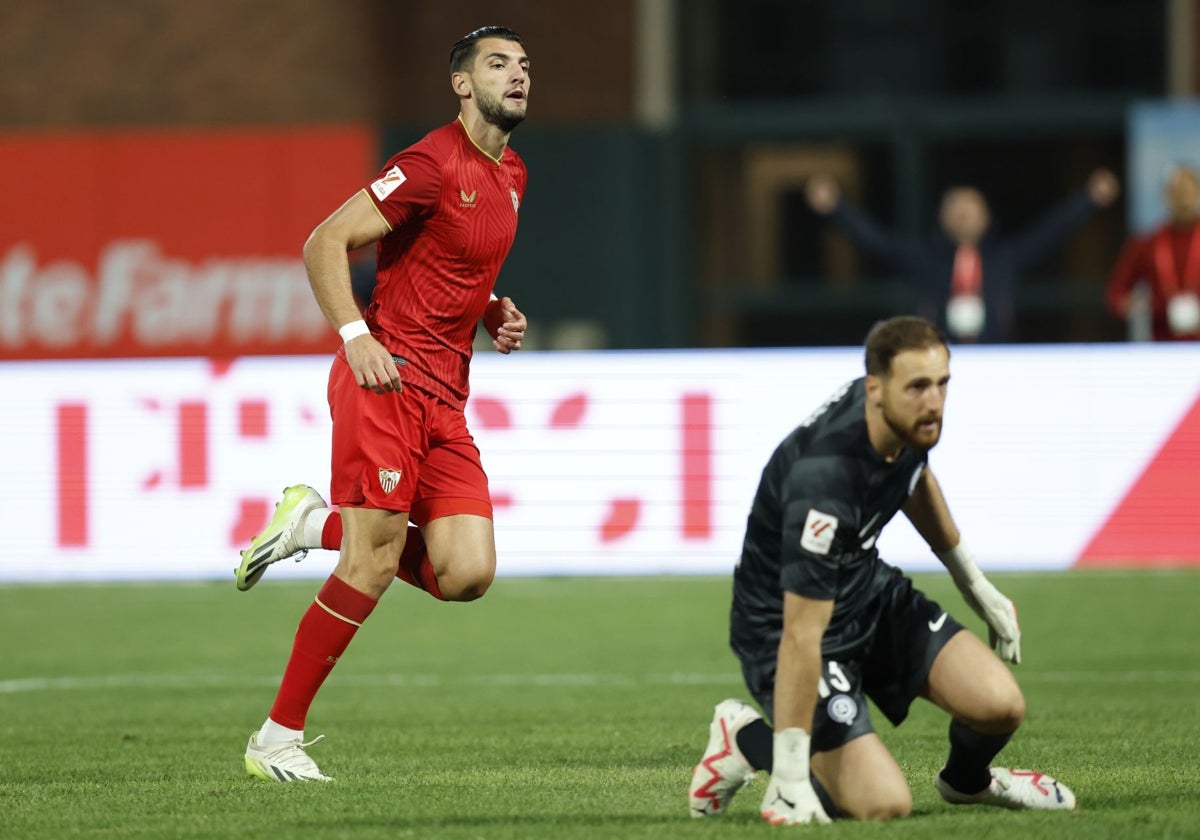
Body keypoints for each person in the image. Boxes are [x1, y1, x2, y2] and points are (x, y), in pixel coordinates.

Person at [234, 24, 531, 783]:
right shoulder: (430, 163)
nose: (517, 75)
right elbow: (324, 242)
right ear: (463, 85)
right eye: (498, 65)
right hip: (386, 379)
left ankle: (312, 523)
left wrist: (491, 306)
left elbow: (445, 256)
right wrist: (354, 333)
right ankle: (276, 740)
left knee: (466, 573)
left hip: (446, 399)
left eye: (524, 66)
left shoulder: (512, 174)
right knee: (369, 563)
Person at [686, 316, 1076, 825]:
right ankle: (744, 738)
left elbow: (913, 475)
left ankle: (967, 783)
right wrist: (788, 779)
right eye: (918, 386)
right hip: (785, 625)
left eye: (942, 384)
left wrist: (973, 583)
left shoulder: (903, 418)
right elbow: (802, 636)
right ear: (875, 389)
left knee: (1000, 705)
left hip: (864, 590)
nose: (933, 402)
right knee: (883, 804)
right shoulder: (823, 484)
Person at [806, 170, 1119, 343]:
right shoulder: (925, 260)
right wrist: (836, 209)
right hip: (938, 362)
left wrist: (1088, 201)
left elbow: (1051, 231)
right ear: (942, 217)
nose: (964, 214)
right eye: (956, 208)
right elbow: (876, 241)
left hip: (997, 358)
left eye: (971, 208)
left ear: (986, 217)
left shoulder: (1004, 259)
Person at [1105, 163, 1200, 341]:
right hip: (1162, 348)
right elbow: (1115, 296)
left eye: (1188, 192)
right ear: (1165, 196)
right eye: (1177, 193)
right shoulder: (1147, 243)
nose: (1183, 200)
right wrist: (1142, 304)